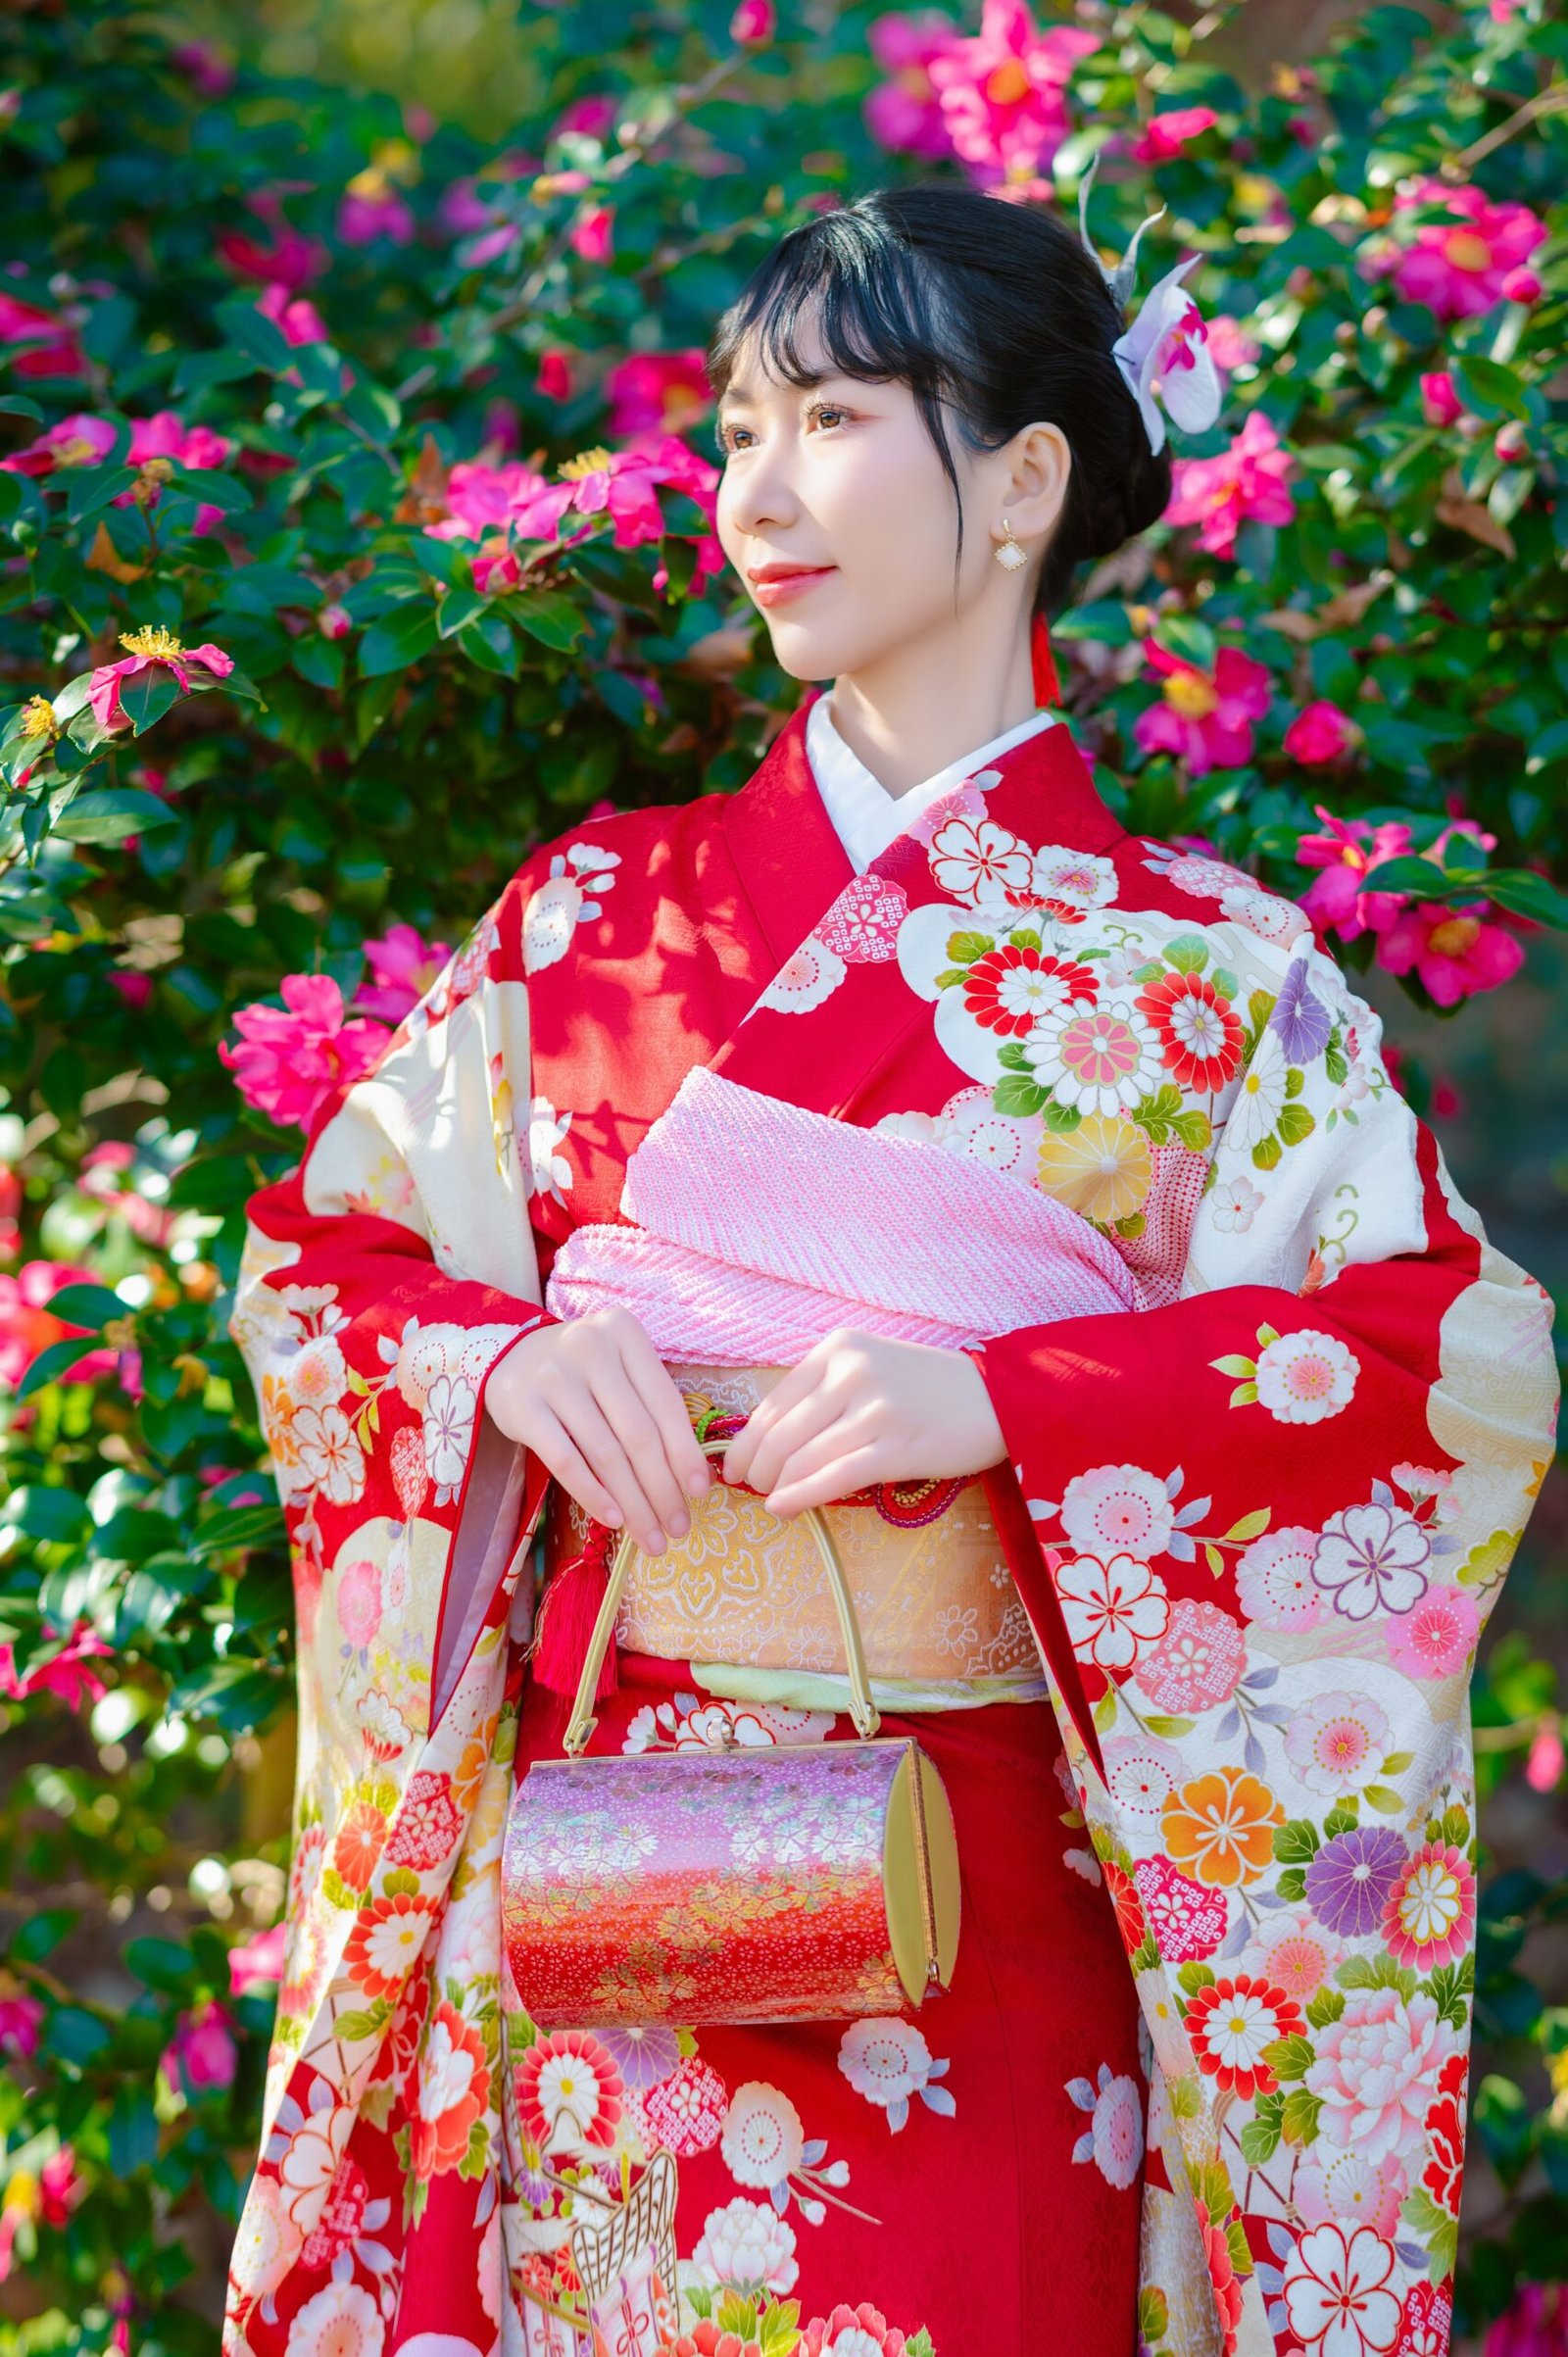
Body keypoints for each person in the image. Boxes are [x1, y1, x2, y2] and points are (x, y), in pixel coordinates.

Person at [222, 184, 1557, 2357]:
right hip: (607, 1911)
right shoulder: (590, 921)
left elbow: (1443, 1362)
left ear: (1022, 481)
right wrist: (495, 1368)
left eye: (831, 419)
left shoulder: (1210, 977)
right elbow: (325, 1268)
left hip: (980, 1926)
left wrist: (1020, 1403)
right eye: (736, 432)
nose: (755, 493)